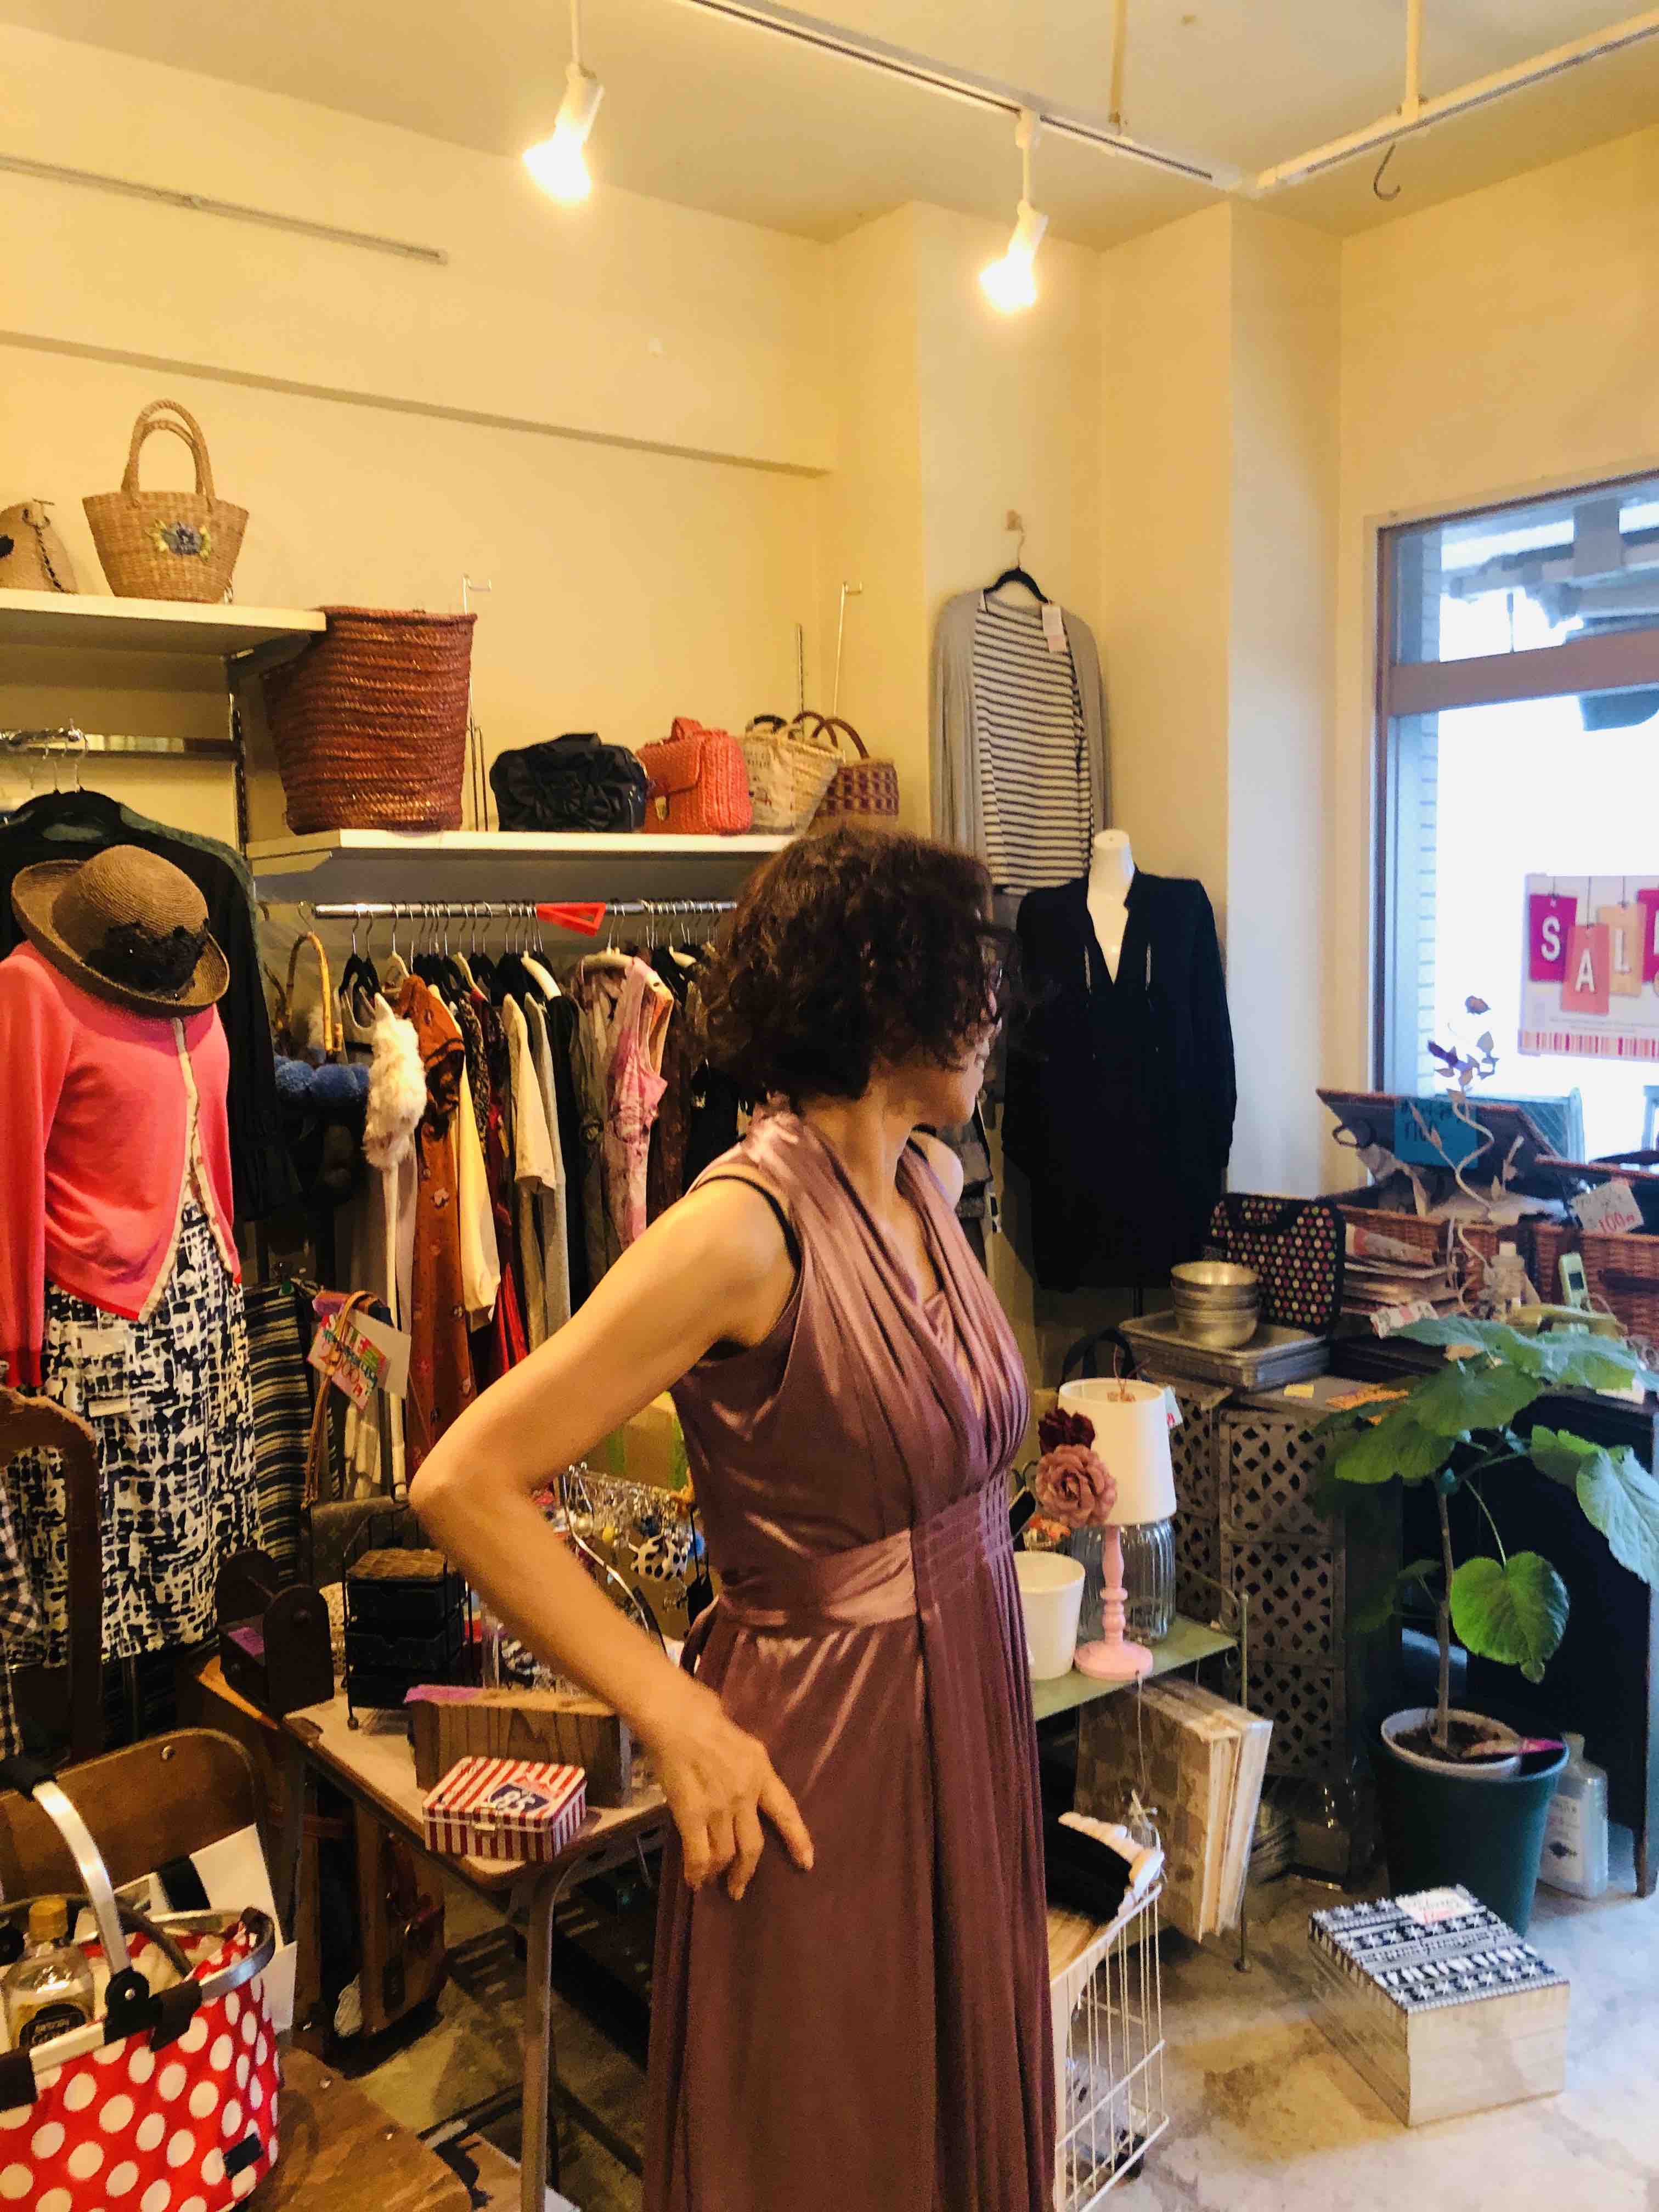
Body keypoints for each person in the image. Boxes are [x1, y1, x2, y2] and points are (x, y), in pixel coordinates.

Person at [410, 826, 1054, 2212]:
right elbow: (463, 1481)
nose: (995, 1010)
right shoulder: (742, 1232)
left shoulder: (930, 1184)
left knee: (954, 2091)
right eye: (971, 973)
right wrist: (673, 1713)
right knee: (830, 2120)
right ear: (887, 991)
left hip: (970, 1707)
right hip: (825, 1742)